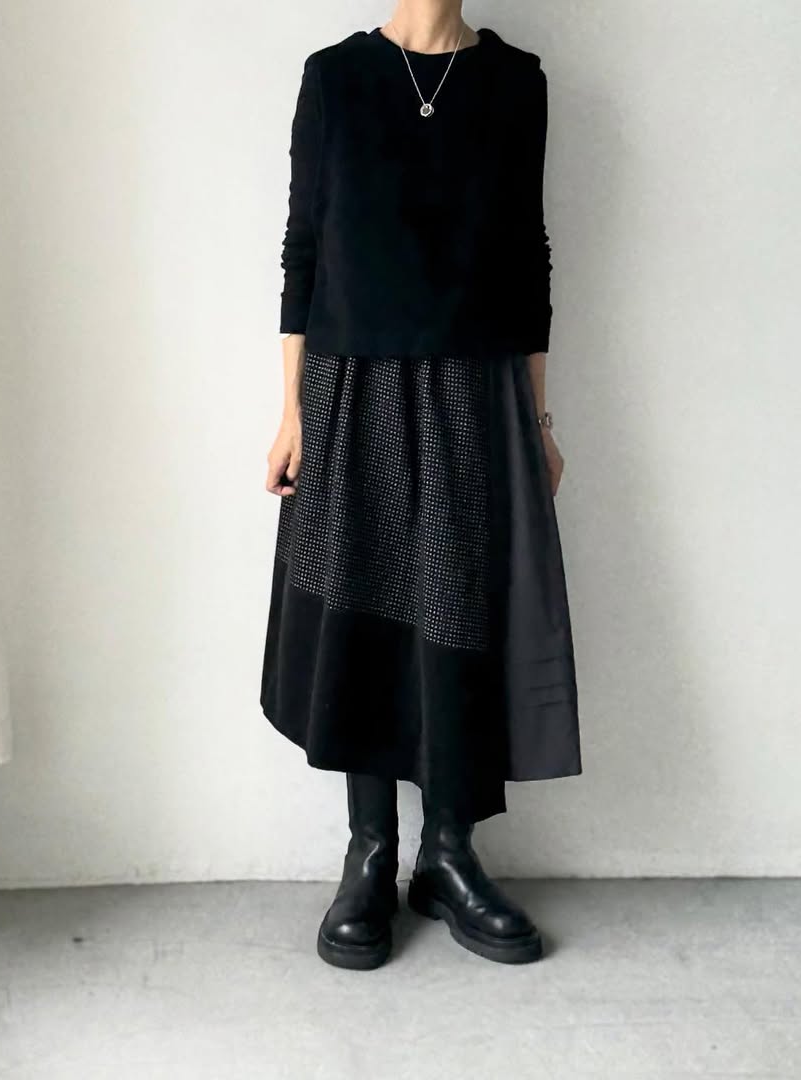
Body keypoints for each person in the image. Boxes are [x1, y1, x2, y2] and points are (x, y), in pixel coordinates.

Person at [260, 1, 582, 970]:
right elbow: (303, 247)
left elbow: (528, 257)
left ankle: (448, 853)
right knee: (358, 613)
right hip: (349, 385)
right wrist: (291, 411)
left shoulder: (516, 83)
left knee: (456, 618)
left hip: (471, 391)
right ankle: (370, 851)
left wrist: (538, 420)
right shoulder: (335, 77)